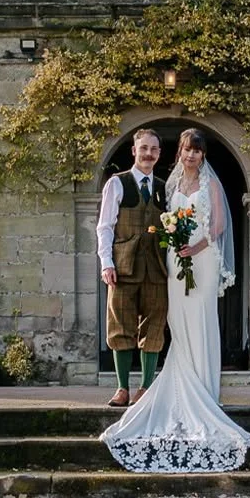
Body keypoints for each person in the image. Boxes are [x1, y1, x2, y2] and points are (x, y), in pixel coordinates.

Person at [100, 128, 250, 472]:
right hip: (170, 263)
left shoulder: (205, 185)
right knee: (164, 321)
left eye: (197, 152)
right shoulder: (162, 187)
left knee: (194, 318)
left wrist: (195, 246)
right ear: (179, 153)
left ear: (203, 156)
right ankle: (134, 386)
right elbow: (127, 226)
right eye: (187, 150)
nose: (191, 156)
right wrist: (109, 261)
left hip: (199, 260)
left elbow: (217, 225)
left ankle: (201, 388)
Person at [96, 127, 168, 408]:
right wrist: (106, 263)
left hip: (157, 268)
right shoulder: (117, 183)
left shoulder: (164, 188)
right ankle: (122, 388)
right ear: (134, 150)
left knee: (154, 327)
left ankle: (146, 388)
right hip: (123, 266)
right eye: (144, 148)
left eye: (153, 149)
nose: (148, 154)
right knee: (120, 325)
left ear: (159, 153)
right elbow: (105, 226)